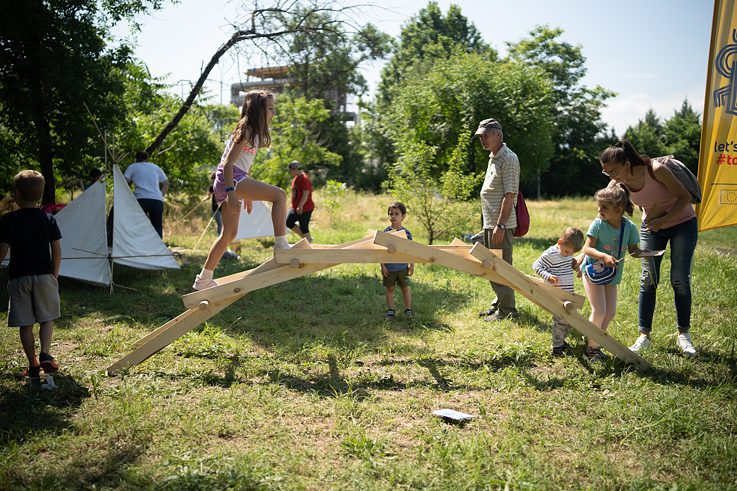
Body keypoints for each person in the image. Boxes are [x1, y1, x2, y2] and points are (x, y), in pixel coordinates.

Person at [599, 140, 698, 357]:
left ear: (626, 163)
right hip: (652, 228)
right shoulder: (619, 182)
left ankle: (684, 334)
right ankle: (644, 336)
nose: (611, 176)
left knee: (679, 280)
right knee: (648, 279)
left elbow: (685, 198)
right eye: (607, 173)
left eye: (613, 171)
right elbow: (606, 206)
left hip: (682, 224)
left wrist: (663, 221)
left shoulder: (656, 170)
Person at [193, 90, 289, 291]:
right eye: (270, 108)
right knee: (279, 195)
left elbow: (245, 166)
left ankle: (203, 279)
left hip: (233, 180)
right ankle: (282, 246)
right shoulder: (246, 130)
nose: (273, 112)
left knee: (229, 234)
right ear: (258, 110)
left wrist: (247, 195)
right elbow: (228, 164)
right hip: (229, 179)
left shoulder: (254, 133)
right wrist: (232, 192)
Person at [0, 170, 62, 379]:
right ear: (41, 195)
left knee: (26, 323)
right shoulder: (48, 219)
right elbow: (57, 250)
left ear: (17, 194)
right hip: (45, 276)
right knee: (47, 318)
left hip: (19, 278)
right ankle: (45, 353)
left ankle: (33, 364)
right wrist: (54, 275)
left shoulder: (8, 220)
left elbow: (2, 250)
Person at [581, 183, 641, 362]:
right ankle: (591, 349)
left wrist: (646, 253)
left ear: (618, 209)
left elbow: (633, 250)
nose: (599, 211)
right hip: (593, 272)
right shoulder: (598, 224)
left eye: (604, 207)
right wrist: (604, 256)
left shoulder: (629, 228)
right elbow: (587, 249)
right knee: (599, 311)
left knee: (610, 312)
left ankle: (594, 338)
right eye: (599, 206)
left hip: (612, 275)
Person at [475, 118, 520, 321]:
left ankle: (507, 311)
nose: (482, 139)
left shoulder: (509, 158)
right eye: (480, 136)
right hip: (491, 223)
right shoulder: (494, 157)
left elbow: (509, 195)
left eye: (486, 135)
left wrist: (500, 225)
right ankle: (499, 304)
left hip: (500, 224)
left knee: (500, 267)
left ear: (498, 135)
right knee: (491, 266)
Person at [532, 227, 585, 356]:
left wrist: (577, 268)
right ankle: (557, 348)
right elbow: (536, 266)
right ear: (560, 242)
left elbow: (570, 262)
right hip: (557, 294)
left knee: (570, 319)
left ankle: (561, 341)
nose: (568, 255)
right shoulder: (551, 254)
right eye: (567, 252)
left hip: (568, 293)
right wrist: (548, 276)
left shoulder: (567, 253)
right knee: (561, 320)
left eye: (571, 253)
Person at [124, 150, 169, 238]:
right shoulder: (155, 167)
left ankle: (140, 244)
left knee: (139, 225)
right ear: (147, 158)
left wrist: (129, 196)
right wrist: (161, 196)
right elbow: (166, 182)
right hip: (156, 200)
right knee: (157, 225)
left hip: (141, 199)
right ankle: (158, 245)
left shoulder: (132, 167)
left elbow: (124, 182)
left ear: (136, 158)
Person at [381, 202, 414, 319]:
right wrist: (383, 266)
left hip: (402, 267)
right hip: (389, 268)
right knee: (390, 289)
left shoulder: (406, 233)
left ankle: (408, 309)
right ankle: (391, 310)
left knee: (405, 288)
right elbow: (381, 251)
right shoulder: (385, 233)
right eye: (391, 214)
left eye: (396, 214)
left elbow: (411, 250)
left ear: (403, 216)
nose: (393, 216)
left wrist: (411, 265)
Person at [208, 171, 238, 260]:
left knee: (225, 226)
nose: (213, 181)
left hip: (222, 209)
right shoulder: (212, 187)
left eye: (214, 179)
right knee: (220, 225)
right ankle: (220, 239)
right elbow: (209, 195)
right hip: (216, 209)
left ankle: (222, 241)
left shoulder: (222, 186)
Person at [286, 160, 315, 243]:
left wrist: (300, 205)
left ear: (296, 169)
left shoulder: (303, 178)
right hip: (295, 207)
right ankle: (307, 239)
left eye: (291, 170)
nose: (290, 172)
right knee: (289, 222)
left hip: (305, 208)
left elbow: (306, 193)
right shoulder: (296, 178)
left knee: (304, 227)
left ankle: (308, 242)